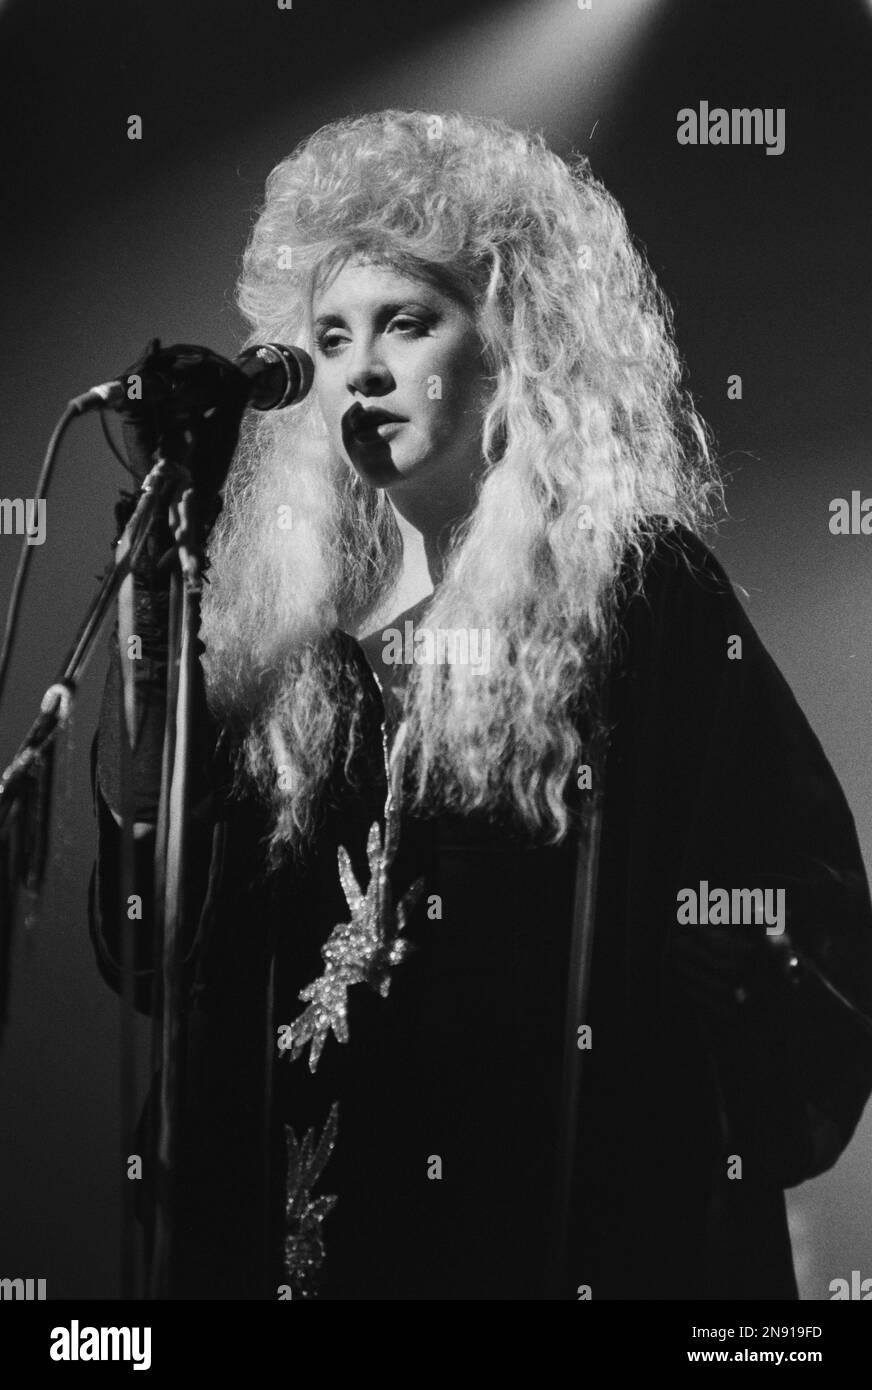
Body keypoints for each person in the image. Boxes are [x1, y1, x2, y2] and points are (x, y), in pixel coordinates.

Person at [90, 109, 872, 1301]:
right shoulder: (284, 646)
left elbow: (794, 905)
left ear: (512, 341)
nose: (362, 371)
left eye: (407, 322)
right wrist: (153, 624)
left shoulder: (635, 594)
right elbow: (155, 950)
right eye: (334, 335)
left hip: (547, 1237)